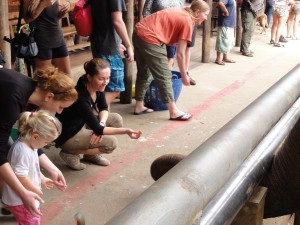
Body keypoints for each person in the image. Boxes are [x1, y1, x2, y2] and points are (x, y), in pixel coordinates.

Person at [0, 66, 77, 216]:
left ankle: (11, 201)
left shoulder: (34, 96)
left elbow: (30, 138)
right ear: (49, 96)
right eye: (60, 107)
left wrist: (53, 169)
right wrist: (23, 193)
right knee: (6, 160)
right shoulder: (14, 96)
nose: (60, 112)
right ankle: (12, 201)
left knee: (11, 151)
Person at [55, 58, 142, 170]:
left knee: (116, 119)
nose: (105, 82)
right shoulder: (81, 97)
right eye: (101, 78)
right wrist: (126, 131)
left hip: (82, 123)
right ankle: (69, 152)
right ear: (89, 77)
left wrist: (101, 123)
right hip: (68, 134)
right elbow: (99, 129)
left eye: (108, 78)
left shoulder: (97, 87)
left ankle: (90, 154)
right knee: (111, 143)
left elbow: (104, 108)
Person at [133, 0, 210, 121]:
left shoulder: (183, 12)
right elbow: (180, 53)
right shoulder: (187, 21)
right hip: (150, 37)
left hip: (139, 32)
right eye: (205, 14)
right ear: (197, 12)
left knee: (144, 72)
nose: (206, 18)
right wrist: (185, 75)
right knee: (164, 74)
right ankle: (173, 111)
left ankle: (139, 106)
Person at [2, 110, 62, 225]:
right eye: (46, 142)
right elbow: (20, 175)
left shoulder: (30, 145)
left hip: (23, 197)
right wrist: (35, 188)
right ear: (35, 136)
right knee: (31, 221)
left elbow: (32, 167)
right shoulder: (23, 152)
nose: (45, 145)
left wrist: (42, 178)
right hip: (20, 200)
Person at [90, 0, 134, 110]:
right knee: (115, 88)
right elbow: (117, 21)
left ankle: (102, 121)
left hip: (98, 42)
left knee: (104, 88)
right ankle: (93, 112)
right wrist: (128, 45)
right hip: (109, 47)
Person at [23, 0, 72, 77]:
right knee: (45, 80)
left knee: (67, 78)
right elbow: (27, 19)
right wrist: (43, 5)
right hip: (41, 39)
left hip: (57, 36)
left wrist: (65, 8)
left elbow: (54, 17)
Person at [142, 0, 183, 70]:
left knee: (170, 57)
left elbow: (181, 11)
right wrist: (153, 27)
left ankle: (168, 78)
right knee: (156, 58)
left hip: (172, 32)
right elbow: (145, 13)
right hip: (156, 32)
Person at [214, 0, 237, 65]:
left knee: (228, 41)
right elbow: (220, 3)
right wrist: (226, 11)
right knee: (222, 40)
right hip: (225, 22)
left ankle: (225, 57)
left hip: (229, 23)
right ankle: (218, 59)